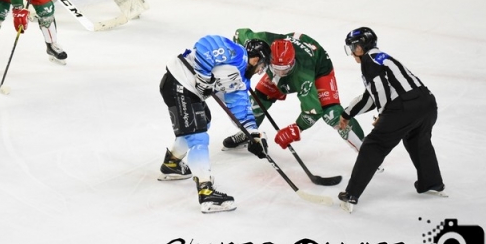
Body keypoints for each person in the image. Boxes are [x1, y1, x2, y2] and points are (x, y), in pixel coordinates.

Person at [157, 35, 270, 213]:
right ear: (256, 59)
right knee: (198, 136)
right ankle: (206, 192)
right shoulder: (238, 53)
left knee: (203, 123)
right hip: (179, 83)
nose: (259, 71)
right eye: (262, 66)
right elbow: (205, 45)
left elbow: (240, 107)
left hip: (189, 92)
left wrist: (253, 134)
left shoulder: (240, 80)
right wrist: (203, 77)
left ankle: (172, 163)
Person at [337, 27, 445, 213]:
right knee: (418, 141)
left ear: (361, 47)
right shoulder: (382, 57)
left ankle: (352, 194)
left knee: (373, 145)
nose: (352, 53)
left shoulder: (368, 62)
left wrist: (383, 115)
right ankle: (431, 182)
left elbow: (380, 92)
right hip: (427, 103)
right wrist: (347, 114)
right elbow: (370, 97)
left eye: (353, 48)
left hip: (403, 108)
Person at [224, 28, 365, 153]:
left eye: (284, 69)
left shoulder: (303, 76)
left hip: (319, 69)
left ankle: (366, 150)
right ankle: (250, 133)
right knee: (257, 102)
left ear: (291, 63)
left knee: (332, 114)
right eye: (276, 68)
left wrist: (297, 128)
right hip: (283, 61)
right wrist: (240, 60)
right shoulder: (265, 44)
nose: (280, 74)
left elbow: (313, 110)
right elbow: (239, 34)